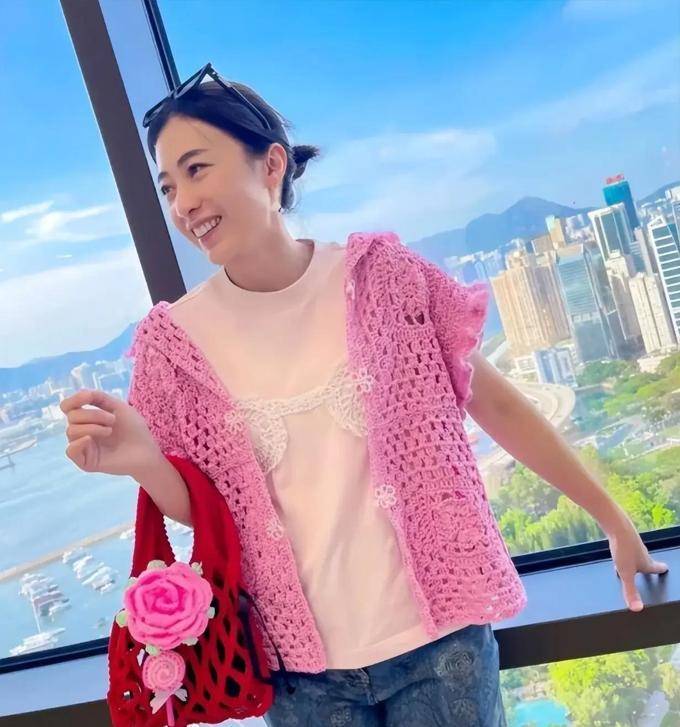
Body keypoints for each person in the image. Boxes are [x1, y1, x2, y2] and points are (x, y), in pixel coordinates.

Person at [60, 64, 669, 726]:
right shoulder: (172, 346)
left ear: (271, 165)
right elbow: (202, 511)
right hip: (300, 676)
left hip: (442, 647)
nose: (183, 204)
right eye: (169, 187)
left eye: (197, 169)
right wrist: (144, 462)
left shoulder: (385, 280)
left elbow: (495, 404)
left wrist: (612, 518)